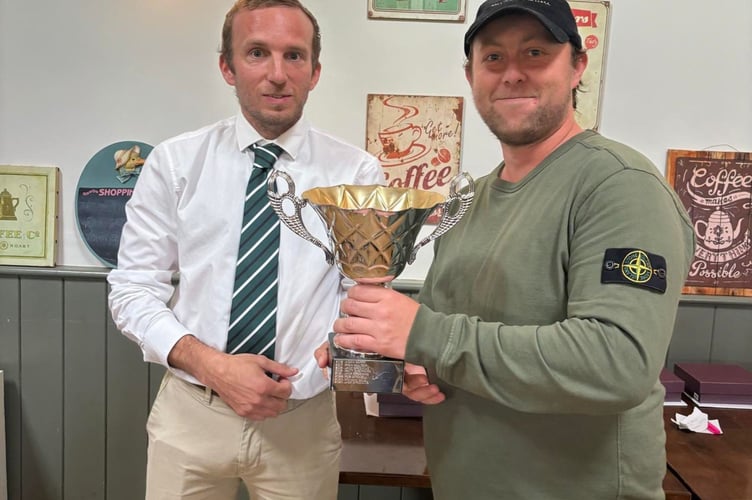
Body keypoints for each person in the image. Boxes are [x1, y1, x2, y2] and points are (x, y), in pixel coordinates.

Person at [321, 0, 695, 498]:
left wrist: (427, 335)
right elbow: (448, 338)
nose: (512, 73)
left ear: (578, 65)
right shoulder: (468, 200)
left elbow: (617, 363)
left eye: (536, 52)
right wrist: (412, 362)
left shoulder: (619, 186)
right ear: (471, 74)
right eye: (493, 58)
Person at [108, 1, 384, 499]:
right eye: (257, 53)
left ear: (315, 71)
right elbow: (131, 290)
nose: (278, 74)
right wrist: (213, 366)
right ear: (227, 67)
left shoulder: (358, 174)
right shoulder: (175, 164)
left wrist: (347, 344)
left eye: (294, 56)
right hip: (192, 415)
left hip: (301, 419)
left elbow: (359, 294)